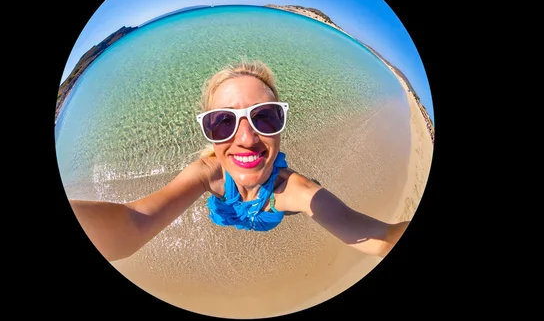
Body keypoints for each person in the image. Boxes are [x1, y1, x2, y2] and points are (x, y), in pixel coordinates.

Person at [68, 59, 410, 262]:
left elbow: (378, 235)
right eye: (223, 122)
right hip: (226, 214)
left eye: (265, 117)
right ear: (209, 133)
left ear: (280, 125)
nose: (246, 138)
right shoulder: (207, 174)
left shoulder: (292, 190)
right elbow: (133, 223)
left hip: (271, 213)